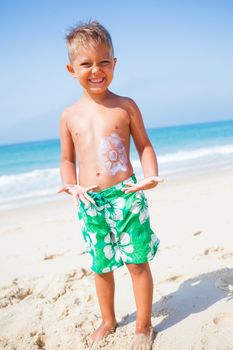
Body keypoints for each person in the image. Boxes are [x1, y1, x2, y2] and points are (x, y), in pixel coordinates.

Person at [58, 20, 163, 350]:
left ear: (114, 64)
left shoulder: (125, 106)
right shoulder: (69, 116)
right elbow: (66, 160)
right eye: (86, 64)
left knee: (136, 262)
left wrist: (149, 176)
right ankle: (108, 318)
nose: (96, 70)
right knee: (100, 266)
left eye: (104, 62)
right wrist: (70, 185)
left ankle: (143, 326)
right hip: (90, 202)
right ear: (71, 69)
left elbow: (144, 145)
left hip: (128, 195)